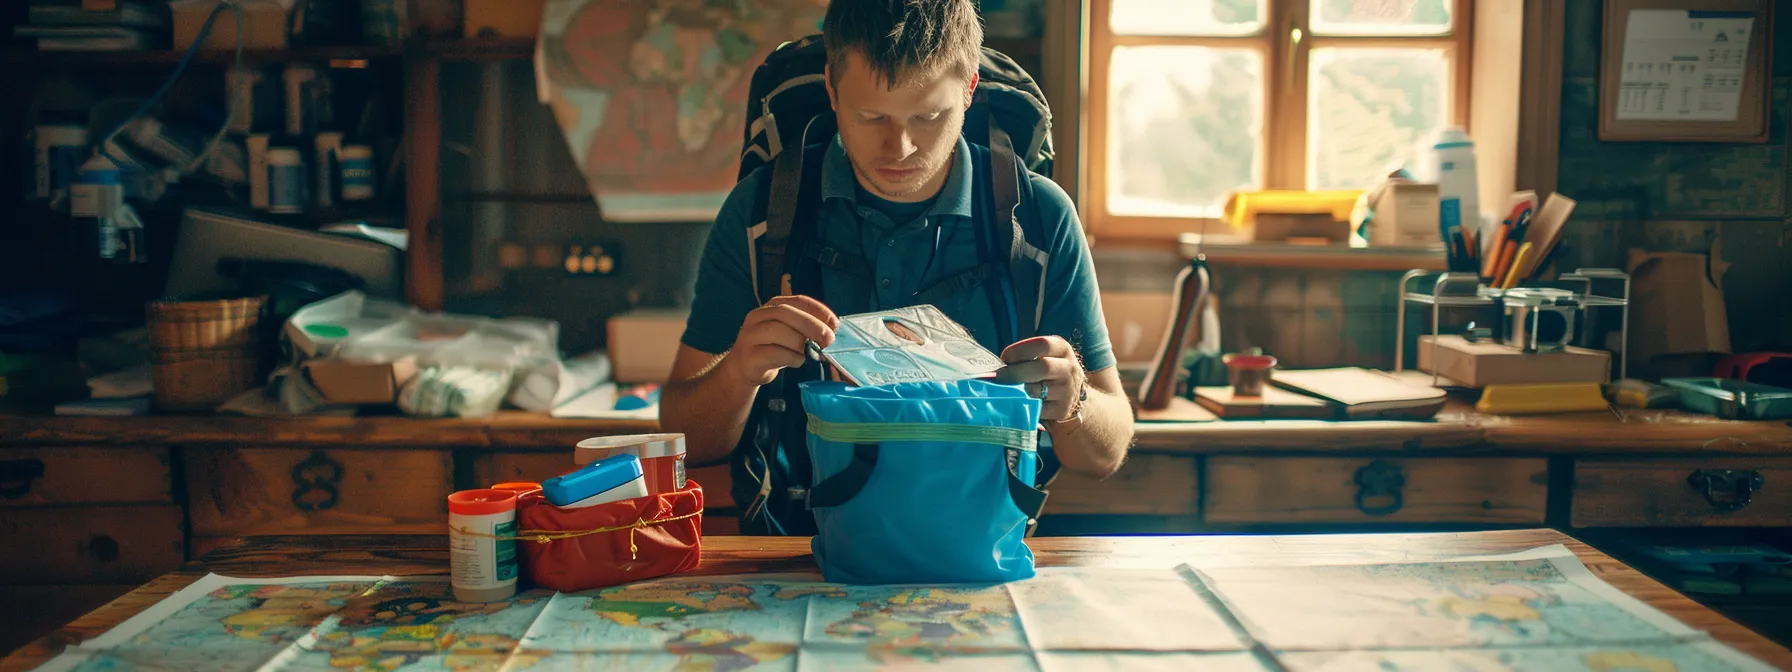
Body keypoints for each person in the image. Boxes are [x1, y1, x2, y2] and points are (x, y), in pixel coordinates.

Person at [660, 0, 1133, 498]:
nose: (900, 148)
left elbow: (1105, 454)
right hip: (797, 549)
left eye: (928, 116)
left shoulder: (1039, 218)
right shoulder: (762, 211)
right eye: (871, 116)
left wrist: (1074, 399)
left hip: (979, 550)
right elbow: (687, 439)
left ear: (969, 89)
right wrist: (739, 371)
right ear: (832, 91)